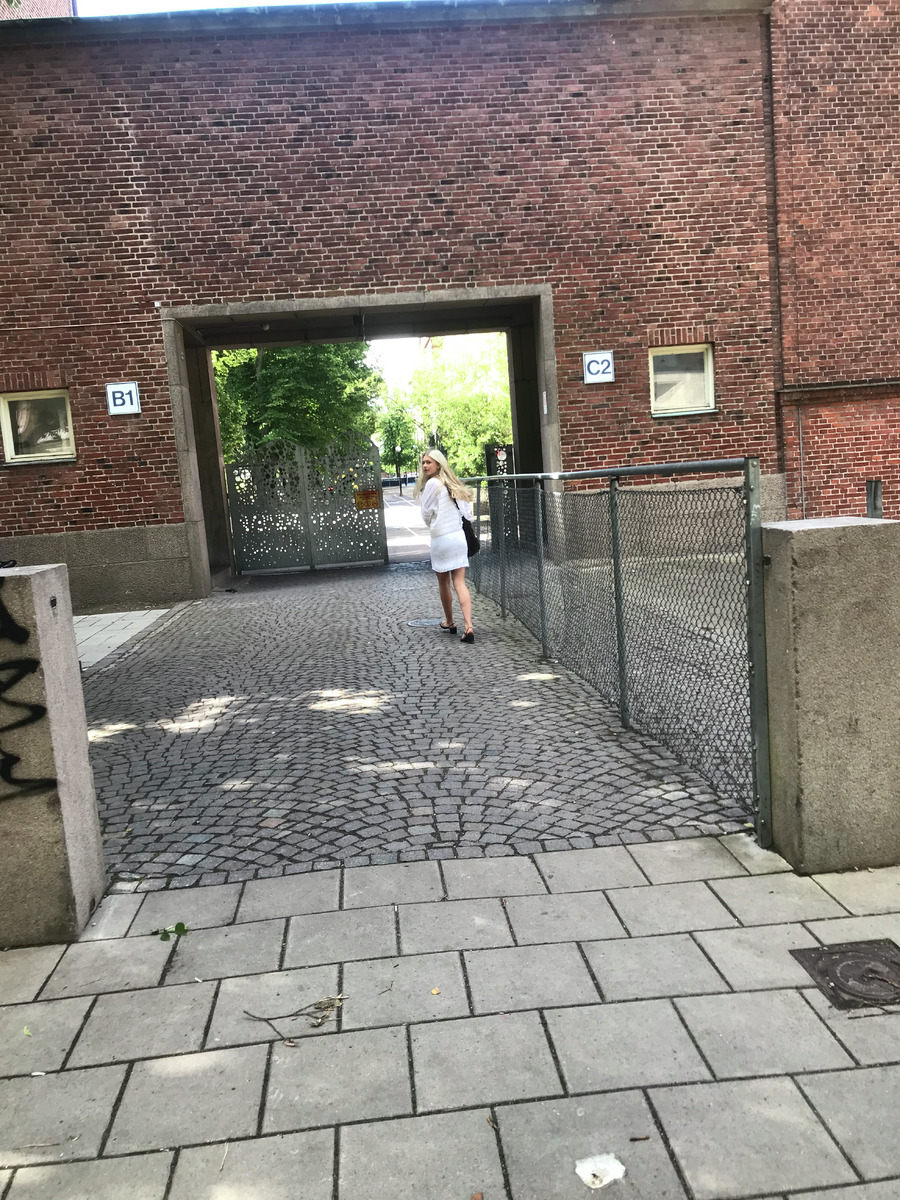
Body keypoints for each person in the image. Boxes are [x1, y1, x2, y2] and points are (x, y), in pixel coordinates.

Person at [413, 449, 476, 643]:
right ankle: (469, 626)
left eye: (428, 462)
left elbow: (425, 513)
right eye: (423, 462)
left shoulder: (432, 484)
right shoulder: (453, 483)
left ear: (438, 464)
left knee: (444, 582)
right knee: (460, 583)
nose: (425, 466)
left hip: (441, 538)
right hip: (458, 537)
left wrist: (434, 523)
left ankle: (449, 621)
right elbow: (468, 513)